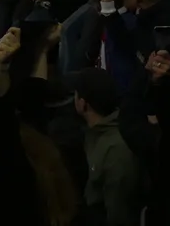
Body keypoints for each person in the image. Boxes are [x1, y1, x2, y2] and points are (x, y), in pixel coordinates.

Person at [65, 68, 144, 226]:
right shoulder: (94, 134)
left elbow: (119, 214)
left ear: (83, 103)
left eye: (76, 93)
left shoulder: (116, 151)